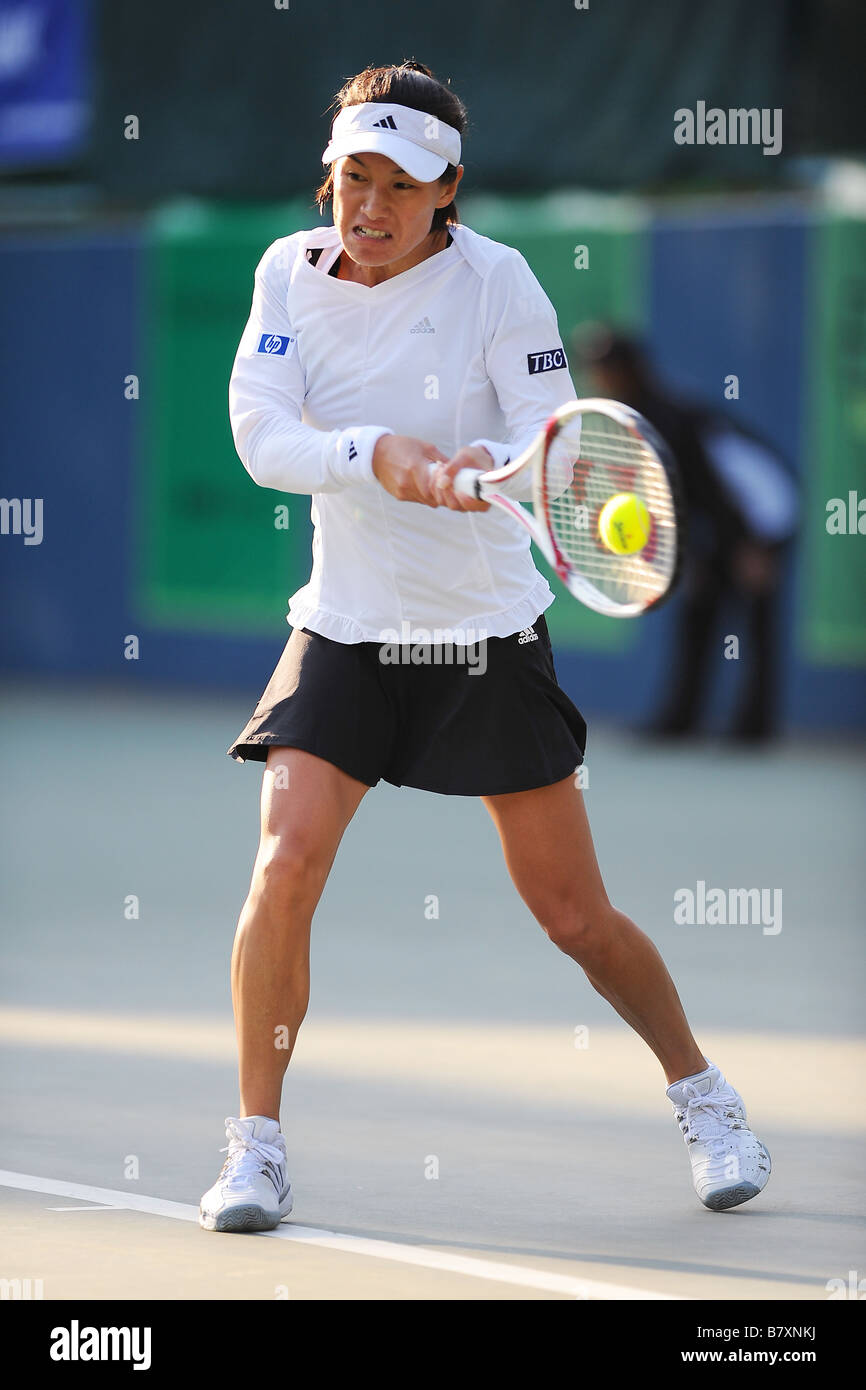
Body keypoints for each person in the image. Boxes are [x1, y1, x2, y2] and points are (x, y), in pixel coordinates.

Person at [198, 61, 770, 1234]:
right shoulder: (284, 275)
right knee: (284, 861)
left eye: (399, 186)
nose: (368, 207)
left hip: (479, 632)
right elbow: (262, 435)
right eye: (353, 178)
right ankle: (253, 1145)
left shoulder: (500, 283)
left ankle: (704, 1094)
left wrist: (479, 471)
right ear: (330, 178)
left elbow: (543, 433)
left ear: (448, 187)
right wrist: (383, 457)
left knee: (571, 915)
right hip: (345, 626)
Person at [575, 327, 797, 742]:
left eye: (605, 368)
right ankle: (680, 721)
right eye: (593, 368)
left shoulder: (671, 418)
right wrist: (693, 554)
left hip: (763, 515)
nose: (596, 377)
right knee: (698, 613)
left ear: (629, 371)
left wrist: (758, 546)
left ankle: (754, 730)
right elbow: (680, 502)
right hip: (721, 523)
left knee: (756, 623)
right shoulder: (635, 416)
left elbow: (722, 488)